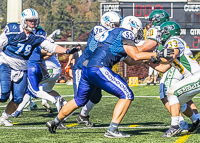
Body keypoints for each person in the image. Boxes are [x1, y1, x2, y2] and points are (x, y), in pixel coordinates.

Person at [46, 16, 173, 138]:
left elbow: (130, 60)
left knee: (79, 100)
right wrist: (157, 53)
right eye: (138, 30)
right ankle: (112, 129)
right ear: (132, 27)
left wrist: (151, 58)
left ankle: (55, 122)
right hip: (99, 67)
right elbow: (136, 55)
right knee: (127, 95)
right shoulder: (125, 32)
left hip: (87, 68)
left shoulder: (114, 33)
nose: (138, 33)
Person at [0, 8, 78, 126]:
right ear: (23, 21)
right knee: (4, 94)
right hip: (6, 63)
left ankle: (4, 118)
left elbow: (50, 47)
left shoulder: (38, 34)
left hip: (22, 67)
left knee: (18, 98)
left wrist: (66, 51)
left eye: (35, 21)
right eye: (30, 21)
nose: (33, 23)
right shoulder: (12, 30)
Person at [138, 9, 200, 133]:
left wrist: (158, 57)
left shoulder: (173, 41)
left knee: (171, 93)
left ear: (168, 32)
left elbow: (171, 56)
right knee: (177, 103)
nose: (160, 35)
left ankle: (175, 127)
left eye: (162, 32)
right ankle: (196, 120)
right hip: (193, 77)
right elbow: (163, 67)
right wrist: (148, 61)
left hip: (196, 77)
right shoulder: (172, 42)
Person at [72, 11, 122, 127]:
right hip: (83, 68)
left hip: (94, 68)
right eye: (115, 24)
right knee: (80, 99)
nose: (117, 27)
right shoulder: (99, 29)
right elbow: (96, 45)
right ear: (108, 23)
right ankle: (59, 119)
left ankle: (83, 116)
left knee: (96, 97)